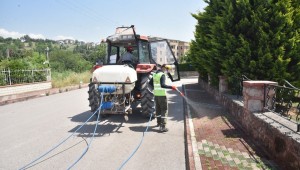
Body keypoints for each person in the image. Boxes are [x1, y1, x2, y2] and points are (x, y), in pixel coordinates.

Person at [150, 64, 177, 132]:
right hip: (162, 95)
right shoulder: (162, 75)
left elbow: (150, 84)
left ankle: (158, 123)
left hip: (156, 95)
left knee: (158, 109)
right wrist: (172, 87)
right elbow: (163, 85)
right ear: (163, 68)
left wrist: (155, 89)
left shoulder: (155, 74)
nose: (167, 70)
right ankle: (163, 126)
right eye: (167, 69)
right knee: (164, 110)